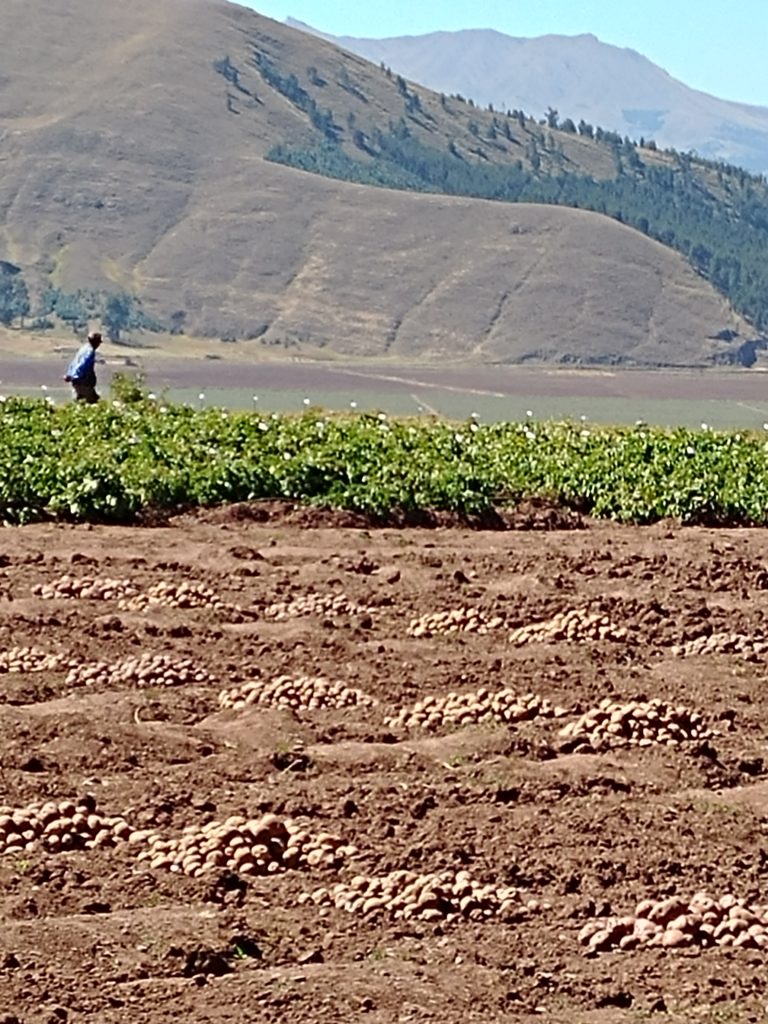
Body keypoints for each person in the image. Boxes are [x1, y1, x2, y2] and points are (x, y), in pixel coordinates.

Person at [64, 331, 103, 403]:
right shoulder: (90, 352)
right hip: (84, 383)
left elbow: (74, 362)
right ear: (95, 342)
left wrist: (69, 374)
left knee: (80, 401)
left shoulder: (83, 349)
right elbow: (82, 364)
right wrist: (75, 376)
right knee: (92, 402)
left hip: (77, 382)